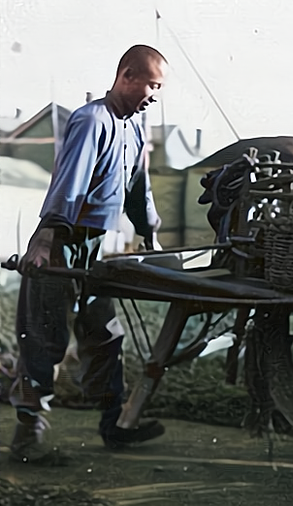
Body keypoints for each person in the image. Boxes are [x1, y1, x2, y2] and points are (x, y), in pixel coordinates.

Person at [9, 45, 167, 464]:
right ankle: (28, 436)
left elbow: (137, 188)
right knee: (44, 338)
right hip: (61, 244)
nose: (155, 94)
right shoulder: (90, 120)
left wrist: (150, 232)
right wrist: (45, 239)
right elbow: (71, 183)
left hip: (95, 249)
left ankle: (113, 424)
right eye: (151, 84)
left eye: (160, 87)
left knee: (104, 334)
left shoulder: (134, 126)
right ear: (126, 75)